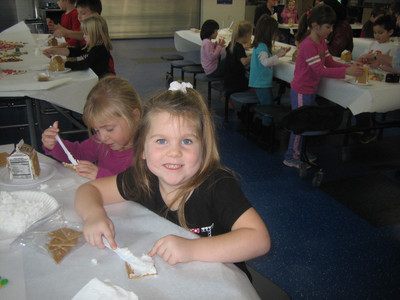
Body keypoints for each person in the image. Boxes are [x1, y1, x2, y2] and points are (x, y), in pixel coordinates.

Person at [74, 81, 271, 280]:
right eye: (161, 141)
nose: (174, 152)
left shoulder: (217, 186)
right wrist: (93, 216)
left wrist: (192, 249)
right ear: (142, 149)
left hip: (222, 283)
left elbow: (259, 239)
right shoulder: (143, 178)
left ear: (203, 147)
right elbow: (90, 190)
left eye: (187, 141)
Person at [283, 4, 364, 168]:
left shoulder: (320, 42)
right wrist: (348, 72)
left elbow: (330, 62)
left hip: (310, 90)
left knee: (306, 122)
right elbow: (320, 70)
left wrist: (350, 68)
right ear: (315, 26)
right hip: (301, 90)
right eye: (328, 26)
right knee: (300, 125)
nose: (331, 30)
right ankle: (291, 156)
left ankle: (300, 151)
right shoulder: (308, 45)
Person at [41, 76, 142, 179]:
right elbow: (78, 154)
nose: (102, 138)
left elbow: (139, 189)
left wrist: (100, 175)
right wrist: (56, 145)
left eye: (109, 129)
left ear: (135, 116)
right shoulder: (101, 142)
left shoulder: (148, 151)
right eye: (96, 130)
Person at [354, 15, 398, 143]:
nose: (377, 36)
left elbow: (394, 67)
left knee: (369, 100)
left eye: (380, 33)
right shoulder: (373, 44)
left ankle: (368, 129)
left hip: (384, 80)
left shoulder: (393, 47)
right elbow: (365, 56)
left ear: (390, 32)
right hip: (370, 76)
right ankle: (362, 125)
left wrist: (379, 64)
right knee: (359, 95)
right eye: (374, 33)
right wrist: (363, 59)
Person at [249, 15, 290, 125]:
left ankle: (263, 124)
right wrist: (279, 56)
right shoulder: (262, 47)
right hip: (261, 82)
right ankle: (265, 127)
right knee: (267, 107)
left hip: (261, 82)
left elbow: (267, 56)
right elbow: (265, 62)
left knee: (266, 105)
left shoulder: (261, 45)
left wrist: (279, 53)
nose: (275, 35)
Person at [43, 15, 113, 78]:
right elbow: (76, 51)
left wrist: (64, 63)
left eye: (86, 34)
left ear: (95, 34)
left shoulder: (100, 49)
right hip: (92, 76)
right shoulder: (91, 45)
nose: (83, 36)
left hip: (99, 80)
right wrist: (54, 51)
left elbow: (84, 64)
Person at [224, 20, 253, 95]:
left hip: (228, 80)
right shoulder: (239, 48)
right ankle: (248, 103)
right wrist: (252, 56)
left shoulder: (232, 44)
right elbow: (244, 61)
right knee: (254, 84)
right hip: (238, 81)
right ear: (247, 35)